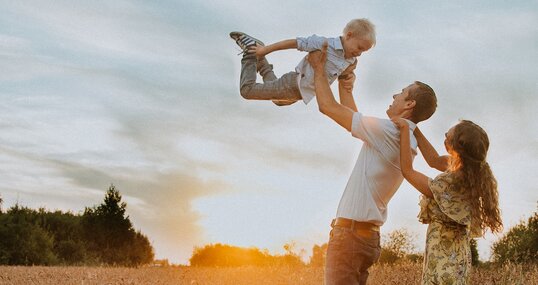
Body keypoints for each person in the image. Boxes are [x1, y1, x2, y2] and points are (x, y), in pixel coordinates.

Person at [308, 42, 438, 284]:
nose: (394, 96)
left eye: (401, 92)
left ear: (409, 104)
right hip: (364, 238)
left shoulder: (390, 130)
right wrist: (345, 83)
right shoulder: (402, 136)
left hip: (351, 237)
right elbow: (352, 116)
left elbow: (327, 107)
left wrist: (318, 69)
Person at [392, 118, 502, 284]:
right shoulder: (470, 171)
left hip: (443, 255)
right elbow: (433, 160)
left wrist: (404, 131)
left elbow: (407, 171)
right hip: (459, 254)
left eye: (447, 136)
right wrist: (414, 130)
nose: (444, 135)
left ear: (458, 146)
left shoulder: (449, 183)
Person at [229, 18, 375, 106]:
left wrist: (351, 80)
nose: (359, 53)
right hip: (292, 84)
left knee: (277, 101)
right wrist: (266, 50)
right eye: (359, 47)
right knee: (247, 91)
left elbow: (347, 75)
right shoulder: (323, 43)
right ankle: (251, 51)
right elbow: (294, 43)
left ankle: (259, 57)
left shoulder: (351, 60)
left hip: (300, 94)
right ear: (349, 36)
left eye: (364, 52)